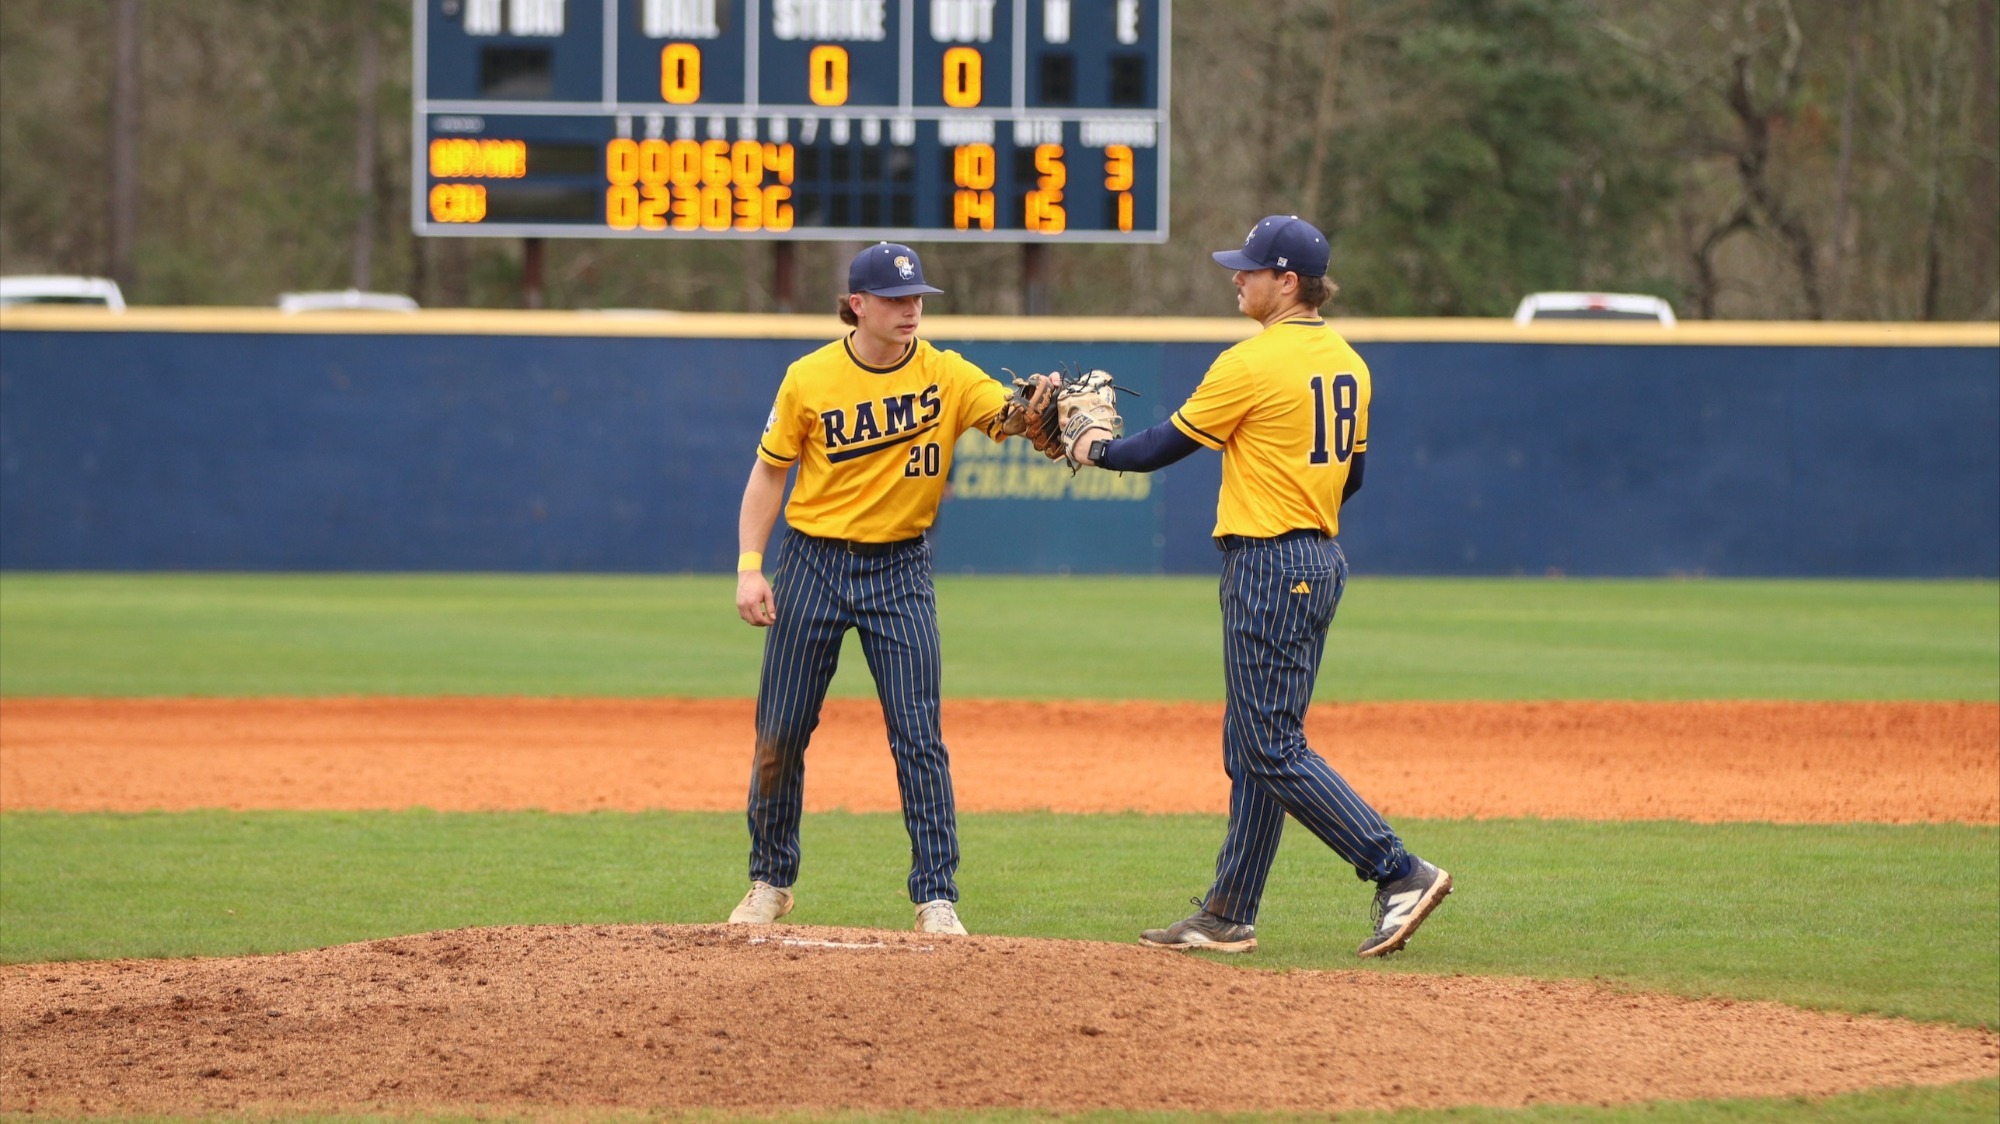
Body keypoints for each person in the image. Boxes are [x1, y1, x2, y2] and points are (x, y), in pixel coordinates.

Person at [1064, 215, 1452, 957]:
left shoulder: (1253, 362)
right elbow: (1354, 476)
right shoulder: (1348, 362)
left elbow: (1159, 448)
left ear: (1288, 281)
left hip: (1270, 564)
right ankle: (1229, 911)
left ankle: (1398, 870)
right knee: (1252, 746)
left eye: (1249, 269)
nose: (1236, 278)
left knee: (1271, 746)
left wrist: (1091, 445)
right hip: (1318, 559)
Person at [727, 242, 1038, 936]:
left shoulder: (947, 373)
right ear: (857, 304)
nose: (911, 310)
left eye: (917, 298)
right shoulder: (808, 378)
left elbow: (1009, 417)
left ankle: (936, 894)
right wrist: (752, 565)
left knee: (917, 734)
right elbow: (769, 474)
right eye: (897, 300)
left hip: (900, 568)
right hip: (813, 564)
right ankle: (771, 881)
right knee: (780, 731)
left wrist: (1038, 412)